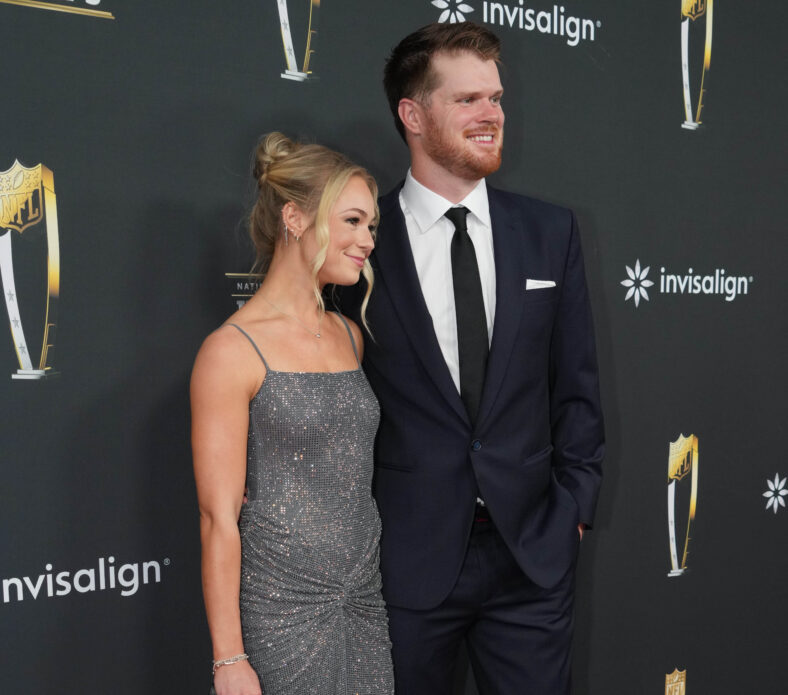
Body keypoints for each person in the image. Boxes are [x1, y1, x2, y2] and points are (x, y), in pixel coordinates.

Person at [339, 22, 604, 695]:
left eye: (496, 98)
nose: (491, 115)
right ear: (413, 114)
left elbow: (576, 389)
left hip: (532, 555)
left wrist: (572, 506)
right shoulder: (360, 245)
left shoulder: (551, 232)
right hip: (406, 561)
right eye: (467, 100)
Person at [191, 132, 394, 695]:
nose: (367, 241)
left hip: (361, 600)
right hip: (281, 610)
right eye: (352, 221)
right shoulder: (230, 352)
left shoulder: (350, 336)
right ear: (295, 218)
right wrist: (228, 659)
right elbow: (218, 518)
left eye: (371, 226)